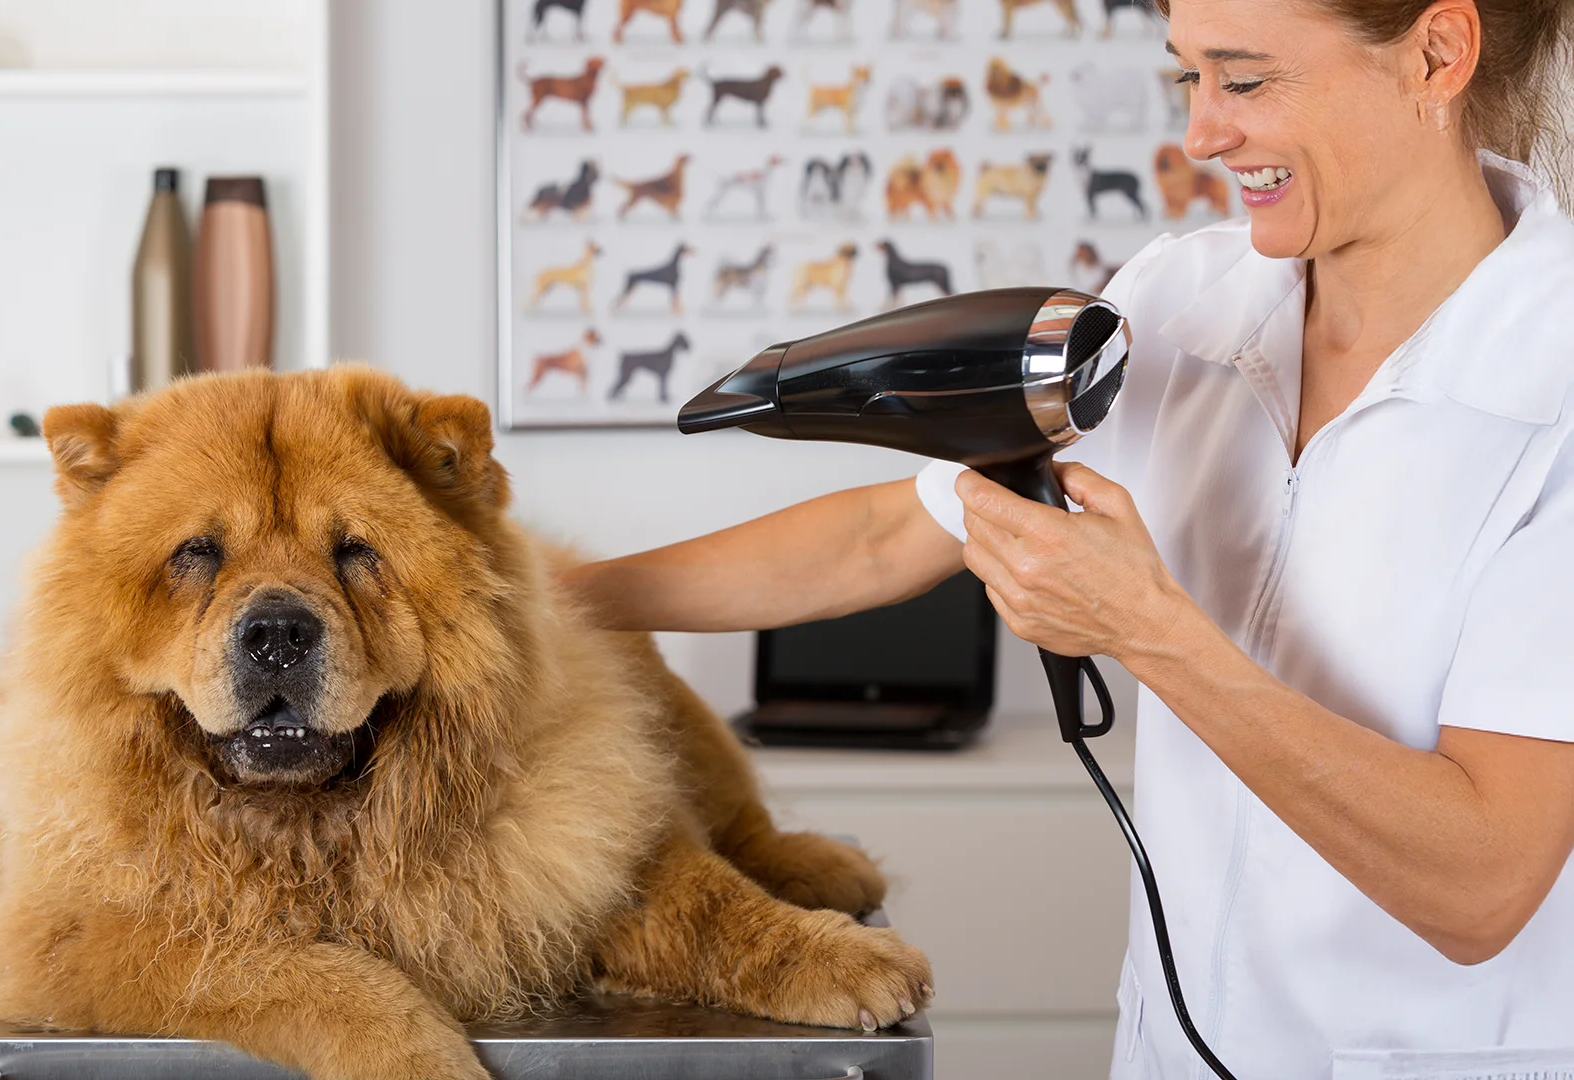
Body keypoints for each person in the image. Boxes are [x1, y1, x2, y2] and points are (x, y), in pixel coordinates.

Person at [558, 0, 1574, 1075]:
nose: (1202, 135)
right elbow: (884, 536)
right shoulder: (1182, 302)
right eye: (1189, 78)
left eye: (1246, 79)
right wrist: (537, 597)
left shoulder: (1552, 389)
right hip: (1176, 1048)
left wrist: (1152, 634)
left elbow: (1481, 887)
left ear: (1436, 54)